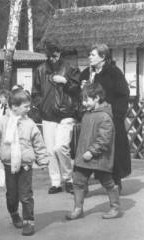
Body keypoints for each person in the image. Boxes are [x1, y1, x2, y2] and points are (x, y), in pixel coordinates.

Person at [0, 89, 48, 236]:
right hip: (8, 165)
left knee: (26, 195)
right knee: (12, 195)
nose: (28, 109)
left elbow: (38, 143)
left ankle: (29, 222)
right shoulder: (2, 122)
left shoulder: (30, 123)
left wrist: (43, 159)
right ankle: (14, 213)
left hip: (25, 165)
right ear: (14, 106)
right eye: (25, 106)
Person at [79, 44, 131, 192]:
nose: (89, 57)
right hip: (91, 118)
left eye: (93, 55)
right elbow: (81, 96)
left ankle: (115, 182)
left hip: (110, 118)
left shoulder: (113, 73)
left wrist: (117, 115)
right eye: (89, 54)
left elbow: (123, 94)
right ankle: (83, 184)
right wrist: (82, 88)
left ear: (103, 57)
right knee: (89, 148)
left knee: (111, 150)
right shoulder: (86, 74)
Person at [66, 82, 121, 220]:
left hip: (98, 158)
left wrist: (92, 151)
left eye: (86, 100)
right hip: (84, 157)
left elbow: (104, 139)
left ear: (96, 97)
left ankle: (115, 207)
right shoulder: (88, 114)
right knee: (78, 181)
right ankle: (78, 208)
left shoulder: (104, 116)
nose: (84, 103)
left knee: (107, 182)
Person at [32, 39, 81, 195]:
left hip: (66, 113)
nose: (53, 58)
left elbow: (77, 90)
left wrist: (65, 82)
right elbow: (35, 93)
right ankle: (55, 182)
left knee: (61, 147)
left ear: (60, 53)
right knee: (50, 151)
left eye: (56, 54)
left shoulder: (70, 68)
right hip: (48, 115)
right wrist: (42, 106)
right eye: (50, 55)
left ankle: (68, 179)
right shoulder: (40, 70)